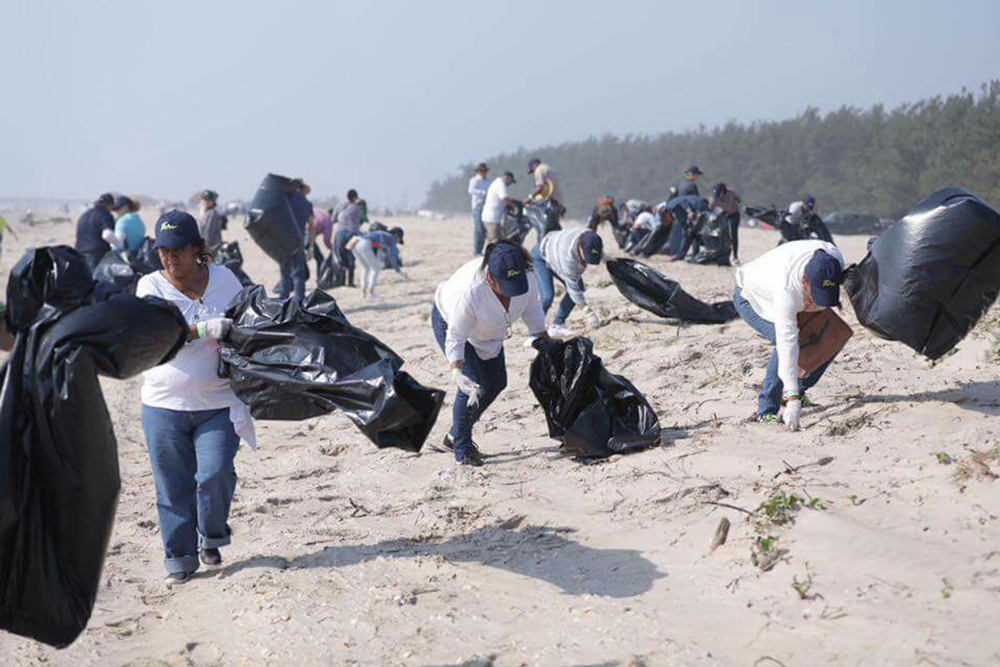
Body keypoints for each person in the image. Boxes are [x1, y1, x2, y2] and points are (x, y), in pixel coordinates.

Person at [134, 210, 255, 586]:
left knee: (215, 474)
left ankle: (212, 534)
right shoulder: (150, 286)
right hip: (163, 405)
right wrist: (202, 329)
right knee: (172, 487)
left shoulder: (225, 279)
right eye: (162, 250)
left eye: (177, 250)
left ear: (197, 248)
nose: (169, 257)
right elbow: (155, 335)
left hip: (218, 403)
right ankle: (180, 559)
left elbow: (248, 322)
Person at [432, 242, 549, 466]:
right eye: (506, 286)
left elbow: (532, 309)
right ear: (489, 278)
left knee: (496, 382)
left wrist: (545, 343)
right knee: (473, 385)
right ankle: (462, 450)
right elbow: (456, 336)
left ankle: (454, 435)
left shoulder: (528, 275)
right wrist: (457, 372)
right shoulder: (471, 292)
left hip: (490, 331)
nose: (512, 291)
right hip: (450, 322)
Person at [733, 240, 846, 431]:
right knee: (786, 342)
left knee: (836, 333)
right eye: (815, 295)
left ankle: (798, 391)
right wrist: (793, 399)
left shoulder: (833, 261)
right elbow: (787, 344)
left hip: (793, 294)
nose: (816, 303)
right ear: (805, 281)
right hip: (751, 298)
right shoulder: (785, 288)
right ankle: (766, 410)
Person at [532, 229, 604, 339]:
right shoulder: (568, 258)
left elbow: (599, 253)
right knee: (547, 296)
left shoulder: (592, 239)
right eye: (586, 257)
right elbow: (573, 289)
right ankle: (533, 334)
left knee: (579, 287)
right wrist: (588, 312)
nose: (586, 263)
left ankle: (557, 326)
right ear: (580, 247)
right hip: (541, 257)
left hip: (554, 253)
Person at [280, 180, 313, 302]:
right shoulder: (307, 203)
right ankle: (299, 303)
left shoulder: (285, 201)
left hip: (284, 240)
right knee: (298, 274)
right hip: (299, 240)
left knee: (285, 274)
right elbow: (311, 226)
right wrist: (310, 246)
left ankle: (282, 302)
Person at [350, 227, 405, 300]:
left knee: (365, 268)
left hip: (355, 243)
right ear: (397, 235)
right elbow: (392, 256)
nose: (397, 242)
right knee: (375, 268)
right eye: (399, 239)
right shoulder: (392, 238)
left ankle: (363, 293)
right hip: (364, 243)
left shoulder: (383, 234)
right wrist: (397, 269)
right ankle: (370, 293)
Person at [74, 192, 118, 270]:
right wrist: (119, 245)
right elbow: (107, 235)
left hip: (79, 253)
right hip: (96, 254)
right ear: (109, 205)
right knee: (97, 276)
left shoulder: (85, 214)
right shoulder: (105, 214)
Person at [333, 189, 365, 287]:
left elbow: (333, 219)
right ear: (355, 197)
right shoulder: (358, 207)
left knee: (341, 255)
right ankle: (350, 282)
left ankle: (342, 281)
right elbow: (361, 220)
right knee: (351, 256)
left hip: (340, 233)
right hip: (352, 234)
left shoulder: (339, 205)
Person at [481, 171, 518, 244]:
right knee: (495, 241)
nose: (510, 184)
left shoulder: (497, 183)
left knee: (493, 240)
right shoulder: (501, 185)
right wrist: (514, 207)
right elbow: (504, 198)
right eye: (511, 181)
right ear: (507, 178)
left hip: (490, 217)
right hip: (492, 219)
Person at [710, 183, 742, 265]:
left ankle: (735, 256)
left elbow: (740, 200)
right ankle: (721, 253)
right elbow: (710, 208)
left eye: (719, 194)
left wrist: (739, 205)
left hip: (734, 214)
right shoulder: (714, 197)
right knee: (722, 233)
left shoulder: (731, 193)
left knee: (734, 233)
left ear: (723, 191)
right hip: (724, 214)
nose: (718, 196)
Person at [468, 163, 490, 255]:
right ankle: (477, 250)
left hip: (486, 207)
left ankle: (481, 249)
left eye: (485, 171)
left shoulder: (489, 181)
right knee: (478, 229)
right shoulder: (474, 180)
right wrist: (483, 193)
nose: (483, 172)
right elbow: (471, 190)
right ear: (478, 171)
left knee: (485, 229)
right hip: (477, 207)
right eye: (481, 171)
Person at [197, 190, 226, 255]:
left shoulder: (212, 213)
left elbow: (209, 230)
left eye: (209, 200)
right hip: (207, 244)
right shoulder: (205, 212)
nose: (207, 202)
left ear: (212, 201)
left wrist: (205, 245)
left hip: (212, 245)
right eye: (205, 200)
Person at [311, 207, 334, 277]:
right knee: (320, 259)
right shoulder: (328, 220)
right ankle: (320, 278)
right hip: (308, 238)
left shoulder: (319, 211)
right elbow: (326, 241)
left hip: (299, 232)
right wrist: (332, 248)